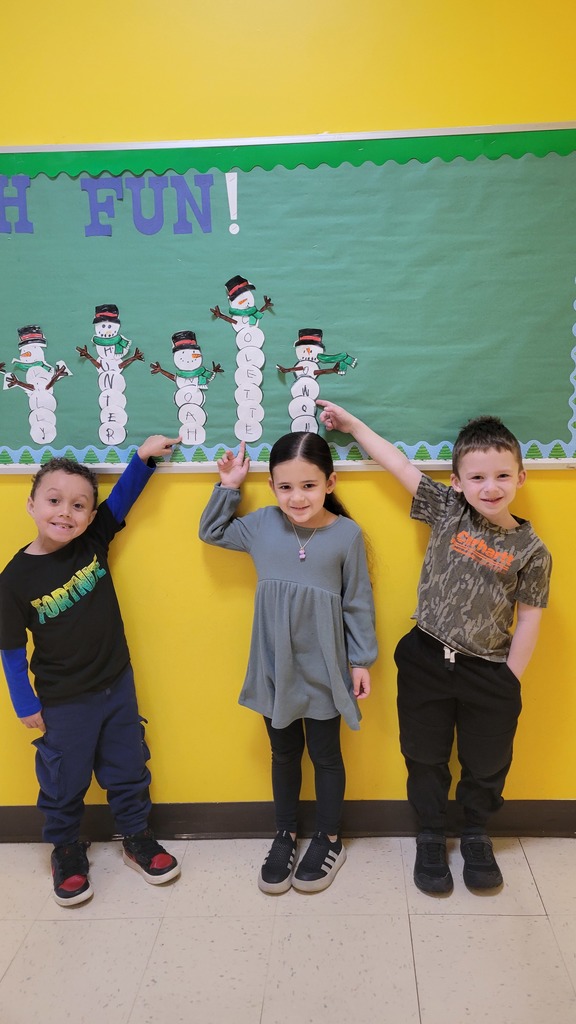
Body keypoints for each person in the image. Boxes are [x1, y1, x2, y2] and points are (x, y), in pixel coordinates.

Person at [318, 400, 551, 896]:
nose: (491, 487)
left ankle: (475, 833)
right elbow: (398, 463)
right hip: (425, 657)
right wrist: (354, 424)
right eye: (478, 477)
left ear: (521, 478)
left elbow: (530, 617)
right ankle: (429, 833)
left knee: (486, 762)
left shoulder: (532, 550)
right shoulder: (448, 510)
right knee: (424, 756)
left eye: (502, 475)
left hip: (489, 671)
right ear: (458, 480)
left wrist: (509, 678)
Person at [0, 436, 182, 907]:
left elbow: (121, 498)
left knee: (128, 767)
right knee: (63, 781)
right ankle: (66, 848)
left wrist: (142, 458)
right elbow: (11, 650)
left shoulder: (92, 540)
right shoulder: (14, 580)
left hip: (117, 685)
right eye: (55, 500)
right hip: (63, 702)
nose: (66, 513)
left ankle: (137, 837)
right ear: (32, 503)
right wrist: (25, 704)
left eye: (79, 505)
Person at [199, 432, 377, 894]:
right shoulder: (261, 525)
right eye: (285, 487)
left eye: (309, 486)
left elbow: (357, 601)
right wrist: (229, 486)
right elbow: (211, 532)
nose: (297, 497)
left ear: (330, 483)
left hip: (325, 667)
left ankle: (329, 836)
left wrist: (361, 661)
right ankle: (284, 833)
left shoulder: (347, 534)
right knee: (283, 752)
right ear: (273, 487)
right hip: (275, 664)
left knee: (326, 754)